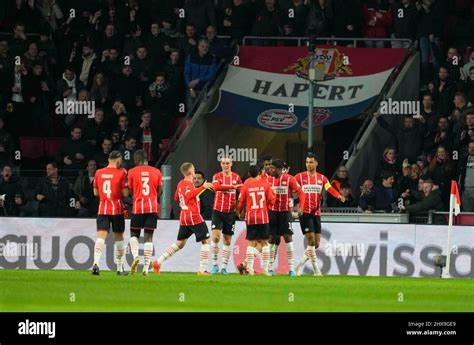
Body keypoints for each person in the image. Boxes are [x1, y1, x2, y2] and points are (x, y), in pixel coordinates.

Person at [153, 163, 213, 275]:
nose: (195, 171)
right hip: (193, 216)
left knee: (180, 243)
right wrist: (202, 187)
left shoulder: (180, 183)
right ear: (190, 172)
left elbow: (176, 197)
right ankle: (202, 270)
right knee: (206, 241)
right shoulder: (188, 184)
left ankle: (158, 262)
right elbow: (189, 195)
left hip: (184, 217)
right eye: (194, 169)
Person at [294, 153, 344, 276]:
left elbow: (329, 189)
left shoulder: (322, 178)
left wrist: (339, 196)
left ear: (316, 163)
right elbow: (290, 187)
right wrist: (294, 205)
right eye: (306, 162)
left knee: (316, 244)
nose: (308, 164)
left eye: (311, 162)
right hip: (304, 213)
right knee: (310, 241)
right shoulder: (299, 177)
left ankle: (298, 267)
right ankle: (317, 271)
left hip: (316, 213)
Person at [92, 151, 129, 276]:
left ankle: (96, 263)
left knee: (101, 237)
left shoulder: (98, 173)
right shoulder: (121, 173)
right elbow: (125, 194)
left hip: (102, 209)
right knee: (119, 238)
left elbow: (95, 193)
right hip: (117, 209)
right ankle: (119, 268)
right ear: (118, 161)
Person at [267, 159, 305, 276]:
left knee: (288, 237)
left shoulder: (289, 179)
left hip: (285, 213)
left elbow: (301, 192)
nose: (270, 170)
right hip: (272, 212)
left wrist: (301, 207)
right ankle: (270, 268)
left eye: (272, 168)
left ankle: (291, 269)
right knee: (272, 238)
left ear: (278, 169)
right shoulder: (268, 180)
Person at [127, 150, 163, 276]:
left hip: (138, 208)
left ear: (137, 159)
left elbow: (130, 192)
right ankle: (146, 269)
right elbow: (159, 192)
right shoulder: (157, 172)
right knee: (149, 237)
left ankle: (136, 256)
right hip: (152, 208)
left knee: (134, 234)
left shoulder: (132, 172)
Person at [238, 164, 276, 276]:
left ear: (249, 174)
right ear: (260, 172)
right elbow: (272, 201)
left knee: (251, 243)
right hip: (263, 217)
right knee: (265, 243)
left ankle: (249, 269)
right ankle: (265, 270)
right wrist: (273, 195)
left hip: (250, 218)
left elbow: (241, 202)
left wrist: (240, 212)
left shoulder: (246, 185)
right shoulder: (265, 184)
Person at [209, 157, 243, 275]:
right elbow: (216, 187)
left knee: (227, 240)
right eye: (223, 163)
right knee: (215, 237)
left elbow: (242, 192)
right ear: (220, 164)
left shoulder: (236, 177)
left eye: (227, 163)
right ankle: (215, 265)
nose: (225, 165)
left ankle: (223, 267)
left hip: (230, 212)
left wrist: (241, 208)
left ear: (231, 164)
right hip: (217, 211)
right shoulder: (217, 176)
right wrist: (233, 187)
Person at [457, 140, 474, 212]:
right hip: (466, 192)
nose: (472, 149)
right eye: (470, 147)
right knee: (467, 216)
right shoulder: (464, 159)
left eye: (473, 147)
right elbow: (460, 175)